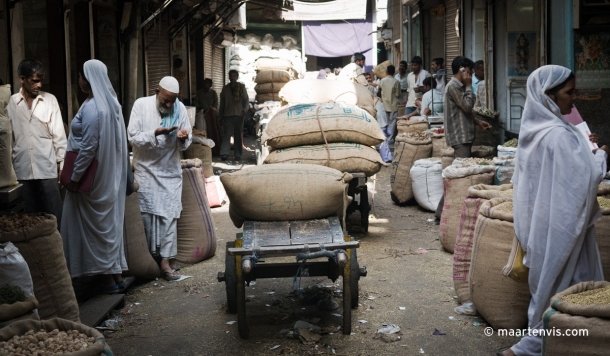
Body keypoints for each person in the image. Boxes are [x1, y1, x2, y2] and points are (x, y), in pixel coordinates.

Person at [501, 65, 609, 356]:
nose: (574, 99)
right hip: (562, 224)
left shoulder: (534, 131)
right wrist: (600, 156)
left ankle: (560, 343)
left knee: (551, 282)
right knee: (561, 284)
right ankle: (529, 348)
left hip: (542, 222)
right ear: (549, 96)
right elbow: (584, 178)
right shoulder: (557, 135)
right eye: (569, 92)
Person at [61, 60, 129, 291]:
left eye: (79, 76)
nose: (78, 80)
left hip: (93, 180)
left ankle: (106, 279)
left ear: (86, 78)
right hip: (109, 177)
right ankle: (116, 276)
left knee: (93, 230)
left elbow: (89, 148)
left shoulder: (92, 108)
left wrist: (74, 178)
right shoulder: (111, 105)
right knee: (108, 226)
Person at [128, 76, 192, 281]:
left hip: (169, 171)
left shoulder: (180, 109)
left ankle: (166, 260)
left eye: (172, 100)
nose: (169, 104)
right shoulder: (141, 105)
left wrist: (183, 138)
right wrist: (155, 133)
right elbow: (132, 137)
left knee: (169, 216)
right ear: (157, 91)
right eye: (165, 99)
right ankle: (150, 260)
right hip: (146, 170)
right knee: (147, 216)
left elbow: (187, 137)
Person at [7, 59, 67, 226]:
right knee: (28, 222)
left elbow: (59, 137)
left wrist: (63, 166)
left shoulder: (50, 101)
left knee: (55, 220)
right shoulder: (11, 103)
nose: (39, 85)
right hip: (22, 172)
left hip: (47, 171)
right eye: (35, 81)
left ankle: (59, 251)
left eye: (41, 80)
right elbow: (8, 140)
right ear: (22, 79)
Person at [434, 56, 492, 224]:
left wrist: (478, 121)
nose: (471, 75)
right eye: (470, 71)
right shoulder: (454, 86)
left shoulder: (457, 87)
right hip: (460, 137)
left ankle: (441, 212)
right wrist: (468, 86)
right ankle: (441, 213)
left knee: (457, 174)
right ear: (462, 70)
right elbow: (467, 105)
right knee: (458, 177)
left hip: (464, 135)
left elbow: (464, 111)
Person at [219, 70, 249, 161]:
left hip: (239, 114)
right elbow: (222, 103)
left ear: (237, 77)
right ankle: (224, 153)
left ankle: (238, 154)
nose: (232, 77)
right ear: (229, 77)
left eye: (234, 75)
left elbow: (246, 100)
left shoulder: (241, 87)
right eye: (231, 76)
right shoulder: (225, 89)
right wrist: (221, 116)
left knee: (237, 135)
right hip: (228, 114)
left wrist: (245, 110)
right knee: (227, 134)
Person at [378, 65, 400, 163]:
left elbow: (379, 92)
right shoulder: (396, 82)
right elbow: (398, 94)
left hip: (384, 105)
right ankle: (390, 140)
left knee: (385, 124)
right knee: (392, 124)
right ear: (393, 72)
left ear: (386, 71)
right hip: (393, 105)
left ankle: (385, 139)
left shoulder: (382, 81)